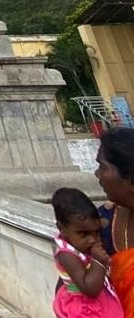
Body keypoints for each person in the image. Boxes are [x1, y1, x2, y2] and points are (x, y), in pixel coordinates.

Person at [51, 187, 122, 317]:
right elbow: (90, 289)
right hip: (83, 307)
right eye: (83, 234)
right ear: (62, 228)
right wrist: (99, 261)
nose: (92, 240)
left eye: (96, 232)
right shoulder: (67, 255)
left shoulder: (81, 245)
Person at [96, 127, 134, 314]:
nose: (98, 174)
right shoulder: (102, 222)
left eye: (103, 166)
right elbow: (68, 286)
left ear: (130, 179)